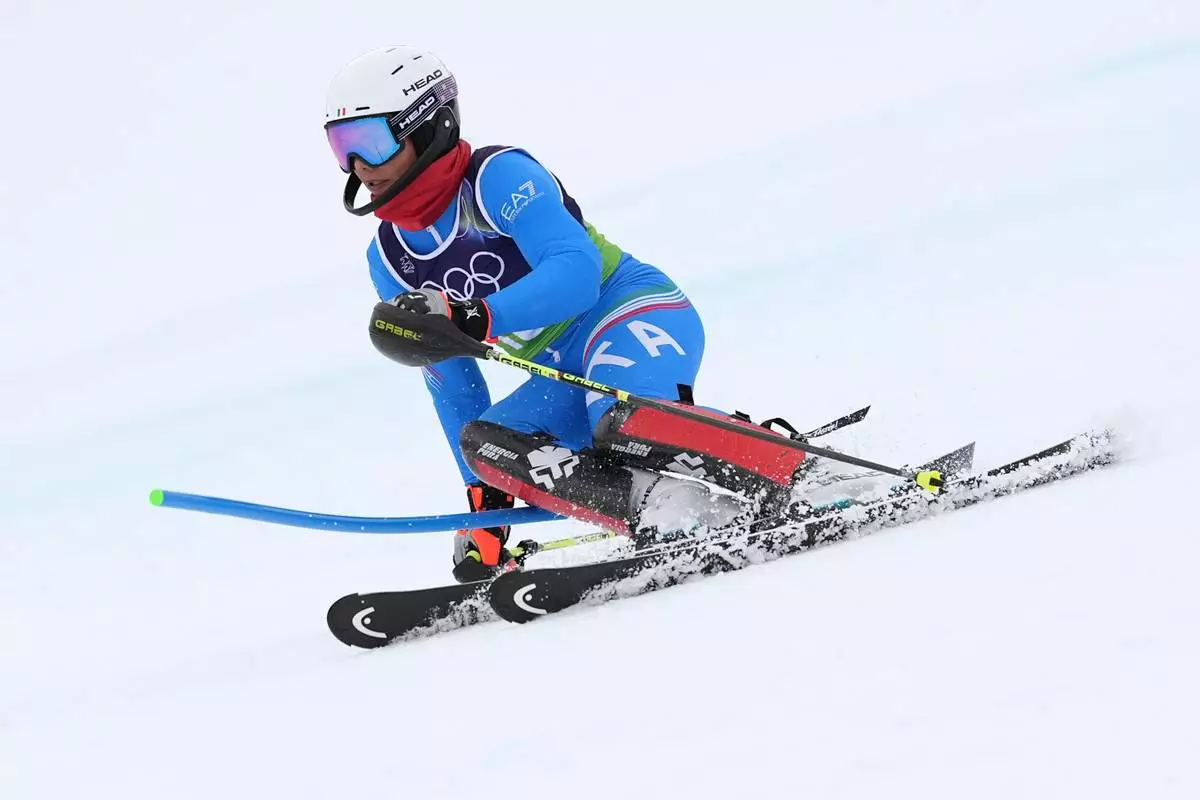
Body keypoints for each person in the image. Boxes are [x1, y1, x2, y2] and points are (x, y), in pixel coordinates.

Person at [324, 46, 810, 583]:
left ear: (429, 126)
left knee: (622, 419)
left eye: (371, 141)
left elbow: (576, 275)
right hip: (561, 374)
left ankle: (800, 472)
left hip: (627, 313)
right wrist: (485, 508)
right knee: (487, 446)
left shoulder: (496, 177)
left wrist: (471, 316)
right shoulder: (389, 258)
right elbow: (454, 386)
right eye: (342, 147)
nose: (358, 165)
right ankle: (666, 508)